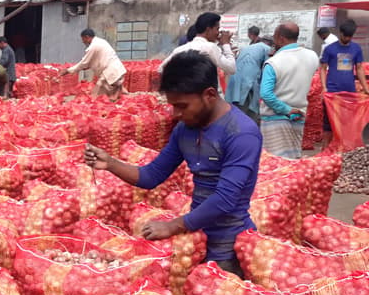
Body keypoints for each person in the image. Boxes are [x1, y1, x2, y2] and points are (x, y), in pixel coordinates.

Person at [84, 51, 261, 277]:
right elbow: (152, 175)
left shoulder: (241, 133)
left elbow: (225, 199)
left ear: (209, 95)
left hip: (229, 243)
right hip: (194, 237)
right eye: (172, 105)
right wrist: (110, 163)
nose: (175, 113)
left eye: (182, 105)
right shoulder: (184, 130)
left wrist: (173, 225)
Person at [260, 22, 320, 159]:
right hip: (299, 117)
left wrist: (286, 109)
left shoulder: (274, 62)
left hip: (274, 120)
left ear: (281, 38)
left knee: (275, 162)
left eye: (274, 36)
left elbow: (266, 94)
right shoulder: (312, 56)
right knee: (293, 159)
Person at [159, 12, 236, 90]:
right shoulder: (210, 48)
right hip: (207, 97)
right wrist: (226, 44)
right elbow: (231, 68)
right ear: (208, 29)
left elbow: (160, 69)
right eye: (217, 29)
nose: (218, 33)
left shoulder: (180, 49)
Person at [59, 28, 127, 101]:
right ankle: (121, 97)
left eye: (83, 39)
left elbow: (84, 62)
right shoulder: (101, 41)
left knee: (99, 92)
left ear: (87, 37)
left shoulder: (93, 47)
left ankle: (105, 101)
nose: (83, 41)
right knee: (113, 88)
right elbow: (96, 59)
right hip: (116, 69)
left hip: (111, 71)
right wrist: (87, 66)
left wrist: (68, 70)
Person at [225, 26, 272, 121]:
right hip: (248, 83)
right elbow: (267, 71)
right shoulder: (267, 49)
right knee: (248, 115)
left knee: (235, 111)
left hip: (235, 81)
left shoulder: (248, 47)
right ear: (270, 43)